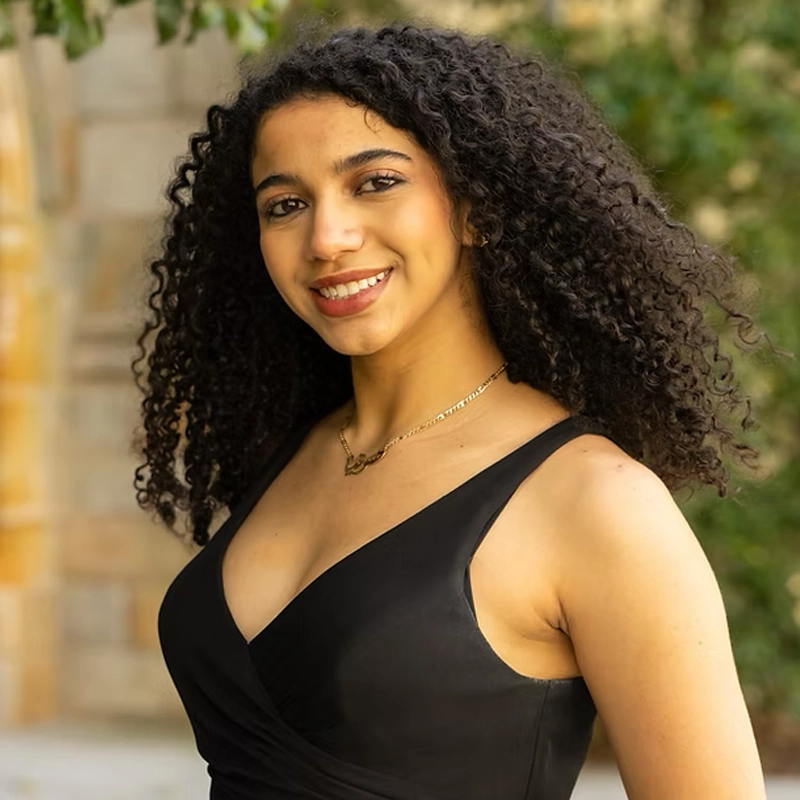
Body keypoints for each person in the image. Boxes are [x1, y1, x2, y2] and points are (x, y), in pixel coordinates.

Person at [134, 23, 767, 800]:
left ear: (475, 208)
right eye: (287, 204)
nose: (327, 238)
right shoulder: (295, 449)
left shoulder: (597, 503)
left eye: (376, 182)